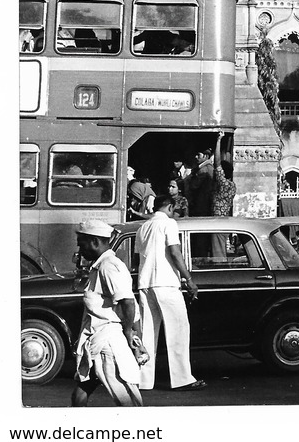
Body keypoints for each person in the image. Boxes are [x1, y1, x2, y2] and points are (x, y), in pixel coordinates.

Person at [135, 194, 206, 392]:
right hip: (166, 283)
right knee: (178, 331)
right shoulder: (169, 224)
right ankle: (182, 378)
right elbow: (175, 252)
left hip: (145, 283)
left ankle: (144, 380)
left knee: (147, 333)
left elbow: (137, 258)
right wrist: (189, 279)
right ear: (170, 207)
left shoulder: (142, 228)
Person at [70, 220, 144, 408]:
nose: (80, 249)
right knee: (81, 390)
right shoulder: (99, 266)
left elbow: (127, 302)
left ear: (95, 242)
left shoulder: (109, 267)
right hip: (96, 342)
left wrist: (130, 334)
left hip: (107, 344)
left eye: (82, 244)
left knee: (128, 401)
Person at [184, 147, 215, 216]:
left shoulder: (204, 169)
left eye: (198, 155)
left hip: (201, 203)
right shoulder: (204, 168)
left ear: (206, 156)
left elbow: (194, 185)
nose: (196, 157)